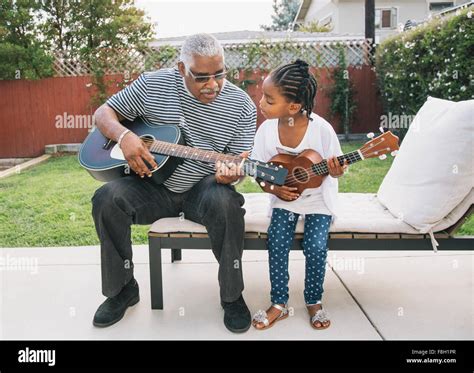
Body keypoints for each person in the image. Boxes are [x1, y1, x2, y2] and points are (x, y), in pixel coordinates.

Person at [91, 33, 256, 333]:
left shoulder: (242, 106)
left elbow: (239, 164)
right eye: (202, 77)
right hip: (152, 186)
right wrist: (125, 136)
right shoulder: (153, 85)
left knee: (227, 202)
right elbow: (104, 113)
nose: (213, 85)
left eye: (220, 74)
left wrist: (233, 174)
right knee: (106, 199)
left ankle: (232, 297)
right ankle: (122, 290)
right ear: (182, 69)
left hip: (203, 188)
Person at [250, 60, 347, 330]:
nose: (261, 102)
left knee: (315, 247)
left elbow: (337, 169)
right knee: (277, 242)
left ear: (293, 106)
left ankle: (314, 301)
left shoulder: (322, 130)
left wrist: (337, 170)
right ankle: (279, 303)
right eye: (262, 96)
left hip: (318, 201)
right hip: (284, 200)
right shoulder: (266, 130)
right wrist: (274, 188)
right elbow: (258, 171)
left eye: (269, 99)